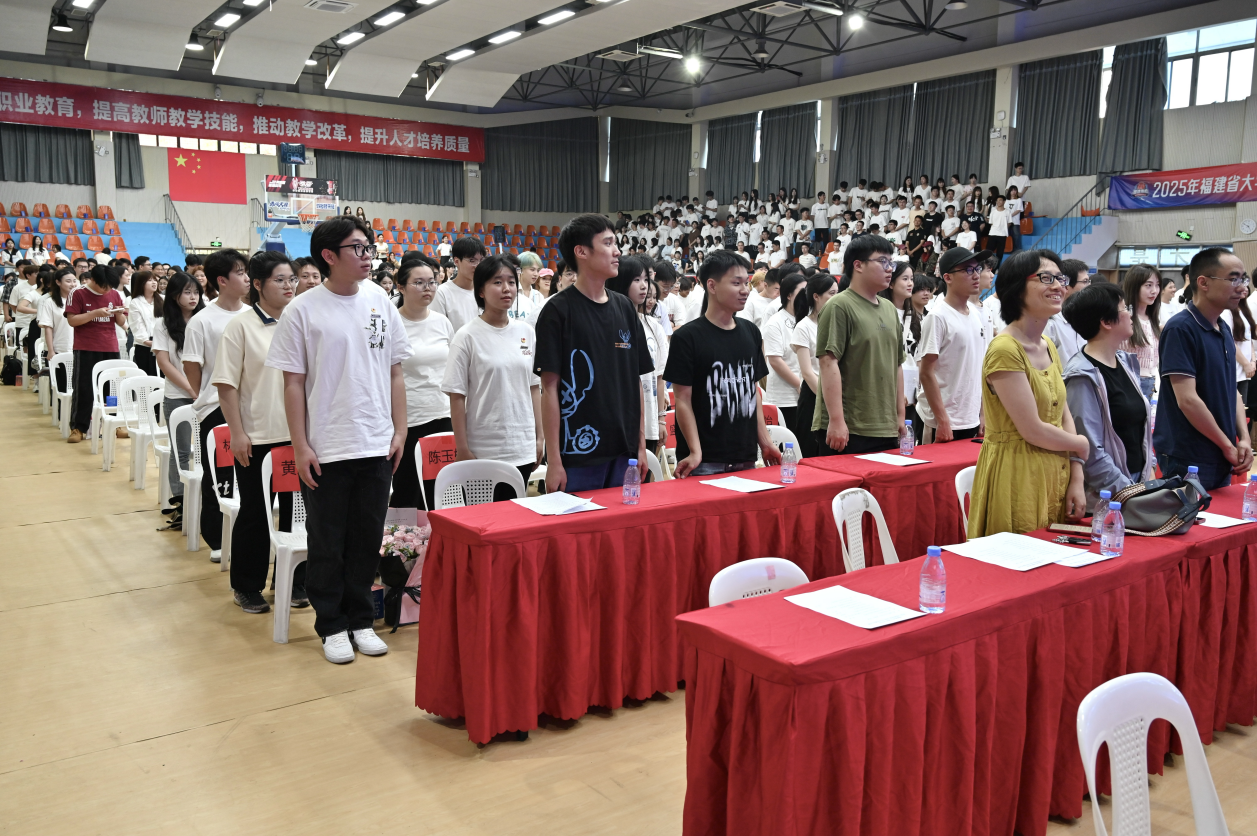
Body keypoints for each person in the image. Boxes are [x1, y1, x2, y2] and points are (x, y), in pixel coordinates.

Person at [266, 215, 411, 664]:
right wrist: (300, 445)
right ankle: (331, 624)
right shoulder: (302, 310)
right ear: (329, 256)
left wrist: (400, 429)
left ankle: (361, 619)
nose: (367, 257)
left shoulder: (380, 301)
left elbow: (395, 371)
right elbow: (293, 384)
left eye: (369, 248)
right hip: (327, 444)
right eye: (357, 249)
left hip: (376, 440)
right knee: (327, 540)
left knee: (367, 538)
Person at [966, 249, 1089, 537]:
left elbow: (1063, 414)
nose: (1058, 286)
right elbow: (1032, 429)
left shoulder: (1047, 344)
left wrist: (1077, 472)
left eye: (1061, 278)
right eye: (1046, 278)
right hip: (1017, 473)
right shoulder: (1005, 348)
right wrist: (1081, 443)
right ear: (1016, 288)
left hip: (1054, 471)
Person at [212, 251, 306, 615]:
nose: (289, 286)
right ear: (258, 284)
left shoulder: (301, 320)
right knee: (255, 512)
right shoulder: (241, 327)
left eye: (292, 279)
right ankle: (247, 586)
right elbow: (226, 385)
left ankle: (294, 581)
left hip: (300, 437)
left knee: (300, 513)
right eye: (280, 280)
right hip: (258, 438)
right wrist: (237, 433)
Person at [535, 214, 653, 492]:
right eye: (608, 243)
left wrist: (640, 445)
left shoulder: (625, 308)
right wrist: (554, 461)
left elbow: (635, 381)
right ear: (582, 251)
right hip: (577, 455)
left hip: (624, 451)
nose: (617, 252)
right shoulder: (557, 311)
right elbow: (549, 389)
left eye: (616, 244)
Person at [664, 251, 782, 477]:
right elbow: (683, 400)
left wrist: (765, 442)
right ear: (712, 285)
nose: (745, 290)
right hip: (704, 461)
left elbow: (752, 393)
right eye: (736, 283)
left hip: (745, 456)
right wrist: (694, 451)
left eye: (746, 283)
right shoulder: (687, 337)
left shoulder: (750, 332)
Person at [442, 255, 541, 492]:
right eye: (497, 282)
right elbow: (457, 396)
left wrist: (540, 438)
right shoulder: (466, 336)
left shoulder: (526, 332)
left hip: (522, 446)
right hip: (483, 450)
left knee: (518, 512)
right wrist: (462, 448)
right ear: (481, 291)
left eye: (511, 282)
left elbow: (534, 387)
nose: (506, 288)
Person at [1061, 282, 1153, 509]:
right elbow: (1091, 451)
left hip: (1136, 484)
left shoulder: (1125, 361)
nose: (1130, 314)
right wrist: (1131, 493)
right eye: (1125, 309)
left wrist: (1148, 477)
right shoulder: (1082, 376)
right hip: (1108, 496)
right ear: (1106, 322)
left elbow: (1141, 431)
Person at [183, 250, 249, 562]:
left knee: (247, 476)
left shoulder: (253, 314)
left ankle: (246, 535)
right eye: (240, 273)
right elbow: (192, 367)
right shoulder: (202, 320)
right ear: (222, 280)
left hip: (251, 407)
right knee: (219, 477)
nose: (247, 278)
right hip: (216, 409)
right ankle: (216, 537)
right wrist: (208, 396)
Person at [813, 235, 906, 455]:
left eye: (891, 262)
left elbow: (897, 365)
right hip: (850, 427)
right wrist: (836, 420)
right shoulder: (839, 306)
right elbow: (828, 363)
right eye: (882, 261)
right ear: (858, 265)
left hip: (885, 425)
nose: (889, 268)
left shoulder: (889, 309)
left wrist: (900, 416)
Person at [392, 256, 454, 511]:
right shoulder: (391, 323)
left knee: (440, 492)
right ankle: (402, 539)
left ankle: (439, 537)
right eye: (419, 283)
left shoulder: (442, 322)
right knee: (407, 492)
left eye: (432, 282)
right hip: (409, 420)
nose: (428, 288)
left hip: (443, 415)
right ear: (400, 286)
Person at [916, 247, 993, 444]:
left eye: (977, 269)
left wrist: (983, 413)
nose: (976, 275)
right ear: (948, 278)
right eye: (968, 270)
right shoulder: (938, 317)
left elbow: (981, 366)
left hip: (970, 416)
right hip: (942, 419)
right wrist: (942, 419)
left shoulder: (976, 314)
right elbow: (926, 372)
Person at [152, 272, 203, 528]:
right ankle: (181, 502)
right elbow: (165, 363)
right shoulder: (163, 325)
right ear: (174, 295)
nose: (193, 297)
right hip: (177, 396)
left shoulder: (204, 319)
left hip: (207, 395)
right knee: (181, 451)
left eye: (196, 292)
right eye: (187, 292)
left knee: (209, 450)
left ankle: (207, 500)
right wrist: (192, 389)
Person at [607, 257, 669, 458]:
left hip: (649, 420)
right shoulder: (608, 323)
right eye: (636, 280)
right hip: (619, 421)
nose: (644, 286)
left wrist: (661, 419)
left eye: (645, 279)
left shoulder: (654, 326)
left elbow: (659, 376)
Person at [64, 264, 127, 444]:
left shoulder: (114, 294)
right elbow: (72, 320)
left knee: (111, 389)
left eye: (110, 286)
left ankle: (114, 422)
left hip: (110, 346)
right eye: (104, 286)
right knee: (84, 388)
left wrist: (119, 313)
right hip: (86, 347)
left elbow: (121, 321)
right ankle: (78, 427)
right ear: (93, 279)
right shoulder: (78, 293)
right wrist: (94, 313)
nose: (107, 290)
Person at [791, 273, 839, 458]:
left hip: (835, 394)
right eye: (831, 293)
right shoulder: (803, 327)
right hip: (814, 395)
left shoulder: (838, 323)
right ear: (816, 296)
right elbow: (807, 372)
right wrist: (828, 398)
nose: (836, 298)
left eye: (837, 293)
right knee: (812, 452)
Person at [762, 272, 808, 429]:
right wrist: (800, 384)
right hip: (785, 397)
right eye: (802, 291)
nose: (806, 296)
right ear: (789, 295)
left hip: (806, 391)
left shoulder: (806, 319)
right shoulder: (775, 322)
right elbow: (775, 360)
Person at [1120, 264, 1162, 400]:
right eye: (1148, 285)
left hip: (1152, 380)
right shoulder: (1125, 317)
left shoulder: (1152, 319)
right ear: (1134, 286)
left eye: (1157, 285)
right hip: (1129, 382)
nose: (1154, 291)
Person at [430, 236, 487, 333]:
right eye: (472, 260)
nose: (478, 265)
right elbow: (437, 331)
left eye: (481, 260)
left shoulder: (486, 291)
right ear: (456, 261)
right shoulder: (442, 293)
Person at [1045, 259, 1091, 365]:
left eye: (1089, 281)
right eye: (1085, 282)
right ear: (1066, 286)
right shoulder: (1050, 322)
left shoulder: (1085, 317)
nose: (1089, 286)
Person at [127, 270, 160, 375]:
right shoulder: (135, 302)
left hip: (162, 343)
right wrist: (148, 342)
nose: (154, 282)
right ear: (142, 284)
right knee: (147, 377)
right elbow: (137, 326)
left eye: (155, 280)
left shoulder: (163, 300)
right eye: (149, 280)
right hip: (145, 346)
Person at [985, 195, 1011, 266]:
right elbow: (991, 223)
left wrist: (1003, 228)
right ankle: (987, 267)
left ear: (1004, 201)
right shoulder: (993, 212)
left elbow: (1009, 223)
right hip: (993, 234)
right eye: (997, 200)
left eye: (1000, 200)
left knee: (1000, 253)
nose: (998, 202)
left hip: (1002, 235)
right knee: (988, 251)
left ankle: (997, 268)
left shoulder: (1007, 212)